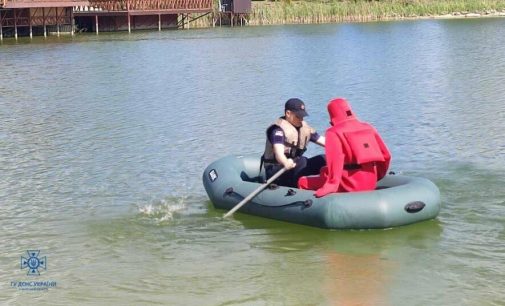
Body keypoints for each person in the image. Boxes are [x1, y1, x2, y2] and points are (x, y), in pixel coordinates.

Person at [298, 98, 391, 197]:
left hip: (349, 184)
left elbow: (336, 161)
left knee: (302, 181)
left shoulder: (333, 132)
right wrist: (378, 175)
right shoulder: (369, 127)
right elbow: (386, 156)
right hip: (371, 181)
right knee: (324, 170)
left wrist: (331, 185)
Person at [261, 98, 326, 188]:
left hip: (295, 166)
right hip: (277, 170)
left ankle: (330, 183)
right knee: (302, 161)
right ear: (288, 113)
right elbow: (279, 154)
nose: (301, 119)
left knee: (324, 158)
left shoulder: (304, 128)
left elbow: (324, 141)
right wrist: (285, 162)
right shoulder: (277, 130)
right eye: (298, 116)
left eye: (302, 116)